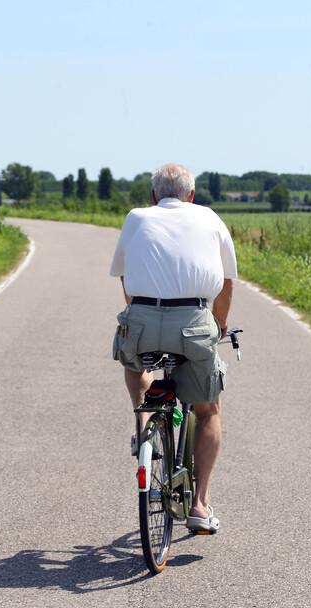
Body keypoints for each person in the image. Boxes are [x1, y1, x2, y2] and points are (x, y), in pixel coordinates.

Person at [109, 163, 238, 534]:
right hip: (195, 322)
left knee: (132, 360)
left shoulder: (136, 218)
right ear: (192, 196)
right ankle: (199, 505)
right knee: (209, 409)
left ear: (153, 197)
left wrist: (139, 314)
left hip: (143, 321)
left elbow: (124, 274)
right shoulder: (210, 218)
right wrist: (220, 325)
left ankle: (144, 422)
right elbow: (227, 282)